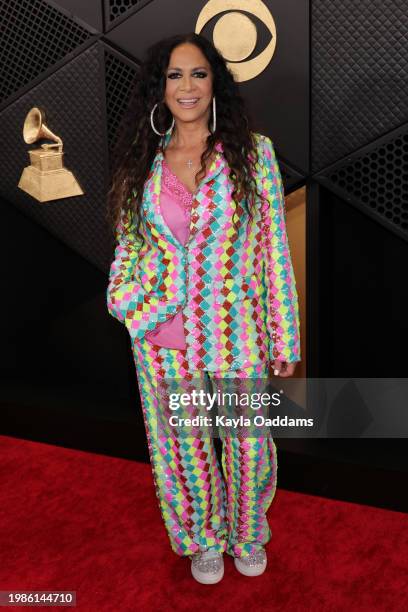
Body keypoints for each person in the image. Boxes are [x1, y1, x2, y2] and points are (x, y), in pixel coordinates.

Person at [106, 32, 301, 585]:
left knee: (246, 443)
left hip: (238, 329)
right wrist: (135, 309)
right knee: (183, 450)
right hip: (163, 336)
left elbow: (273, 253)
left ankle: (246, 532)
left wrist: (284, 337)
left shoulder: (252, 153)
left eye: (197, 74)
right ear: (159, 88)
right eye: (174, 75)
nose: (186, 86)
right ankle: (201, 538)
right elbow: (127, 251)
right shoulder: (143, 160)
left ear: (216, 82)